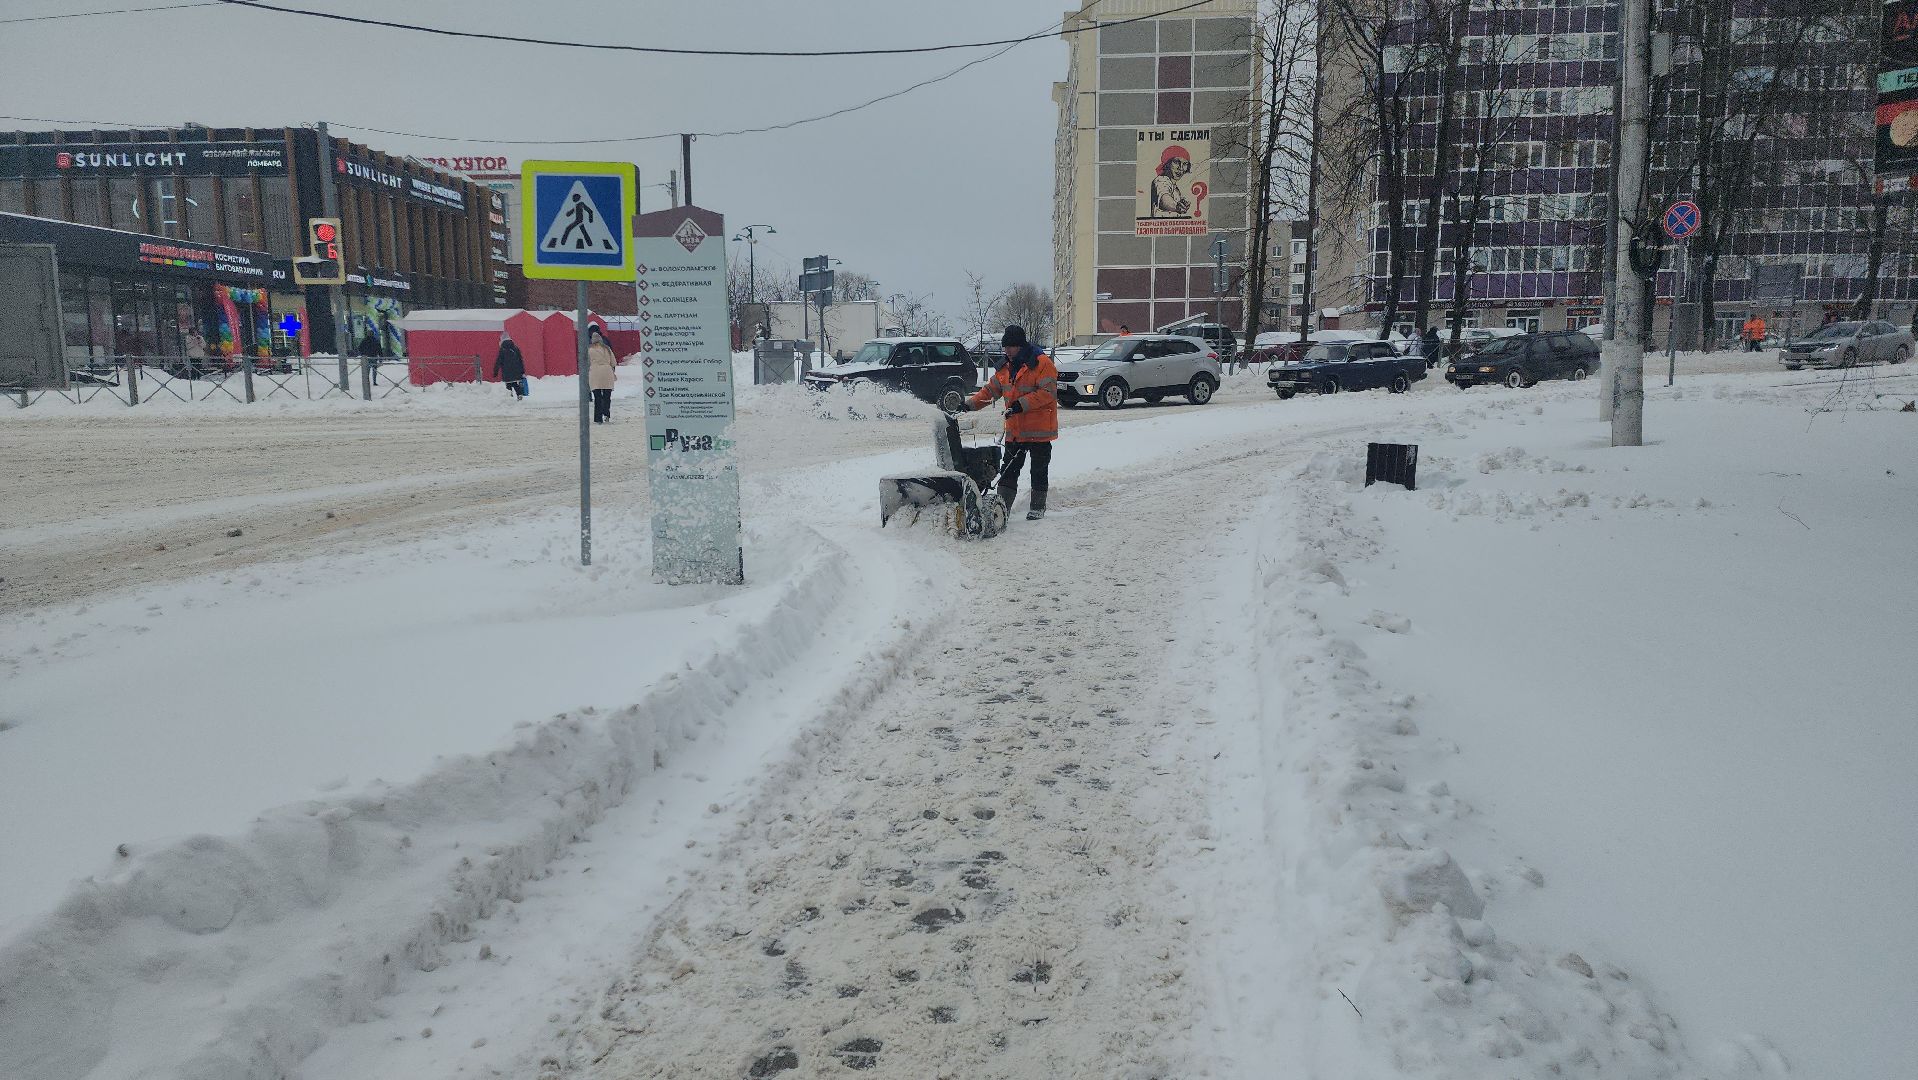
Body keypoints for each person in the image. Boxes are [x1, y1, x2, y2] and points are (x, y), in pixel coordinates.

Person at [963, 324, 1058, 521]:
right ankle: (1003, 509)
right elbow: (990, 391)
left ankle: (1037, 507)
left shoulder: (1042, 363)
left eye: (1010, 347)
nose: (1006, 350)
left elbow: (1047, 393)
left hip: (1039, 430)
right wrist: (969, 405)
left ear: (1020, 345)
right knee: (1008, 471)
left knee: (1039, 471)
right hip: (1015, 431)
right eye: (1005, 347)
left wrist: (1020, 405)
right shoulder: (1005, 368)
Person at [587, 325, 617, 423]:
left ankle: (598, 418)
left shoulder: (589, 350)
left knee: (597, 397)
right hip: (607, 372)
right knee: (607, 396)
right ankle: (606, 414)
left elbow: (586, 363)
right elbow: (613, 362)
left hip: (595, 373)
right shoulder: (607, 349)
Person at [494, 332, 527, 400]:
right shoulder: (515, 348)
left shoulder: (502, 350)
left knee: (508, 384)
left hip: (506, 372)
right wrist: (522, 371)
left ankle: (510, 397)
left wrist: (495, 371)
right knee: (515, 383)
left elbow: (498, 361)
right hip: (516, 371)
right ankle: (519, 395)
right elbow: (520, 360)